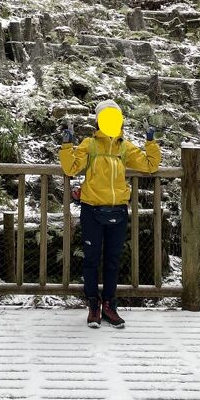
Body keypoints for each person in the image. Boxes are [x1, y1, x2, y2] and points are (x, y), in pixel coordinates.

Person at [59, 100, 161, 329]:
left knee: (113, 261)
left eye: (116, 118)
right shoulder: (90, 145)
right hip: (92, 209)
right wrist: (67, 146)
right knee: (92, 259)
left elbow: (150, 164)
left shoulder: (124, 147)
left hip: (118, 210)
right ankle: (93, 305)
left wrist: (151, 142)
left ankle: (109, 305)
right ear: (99, 121)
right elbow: (70, 168)